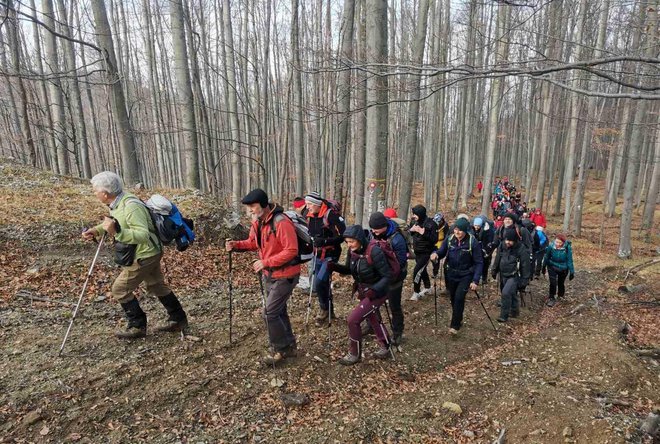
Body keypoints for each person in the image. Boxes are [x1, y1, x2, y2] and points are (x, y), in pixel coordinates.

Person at [81, 172, 188, 339]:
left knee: (120, 289)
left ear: (105, 193)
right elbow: (116, 222)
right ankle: (178, 319)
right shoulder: (118, 202)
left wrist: (117, 233)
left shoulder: (130, 206)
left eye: (95, 190)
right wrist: (97, 229)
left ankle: (137, 326)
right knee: (156, 285)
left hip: (145, 254)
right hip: (149, 252)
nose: (94, 193)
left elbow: (142, 235)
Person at [226, 189, 300, 365]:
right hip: (270, 274)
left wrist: (266, 262)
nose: (250, 210)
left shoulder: (281, 222)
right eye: (249, 207)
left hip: (286, 274)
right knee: (278, 311)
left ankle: (280, 350)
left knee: (269, 313)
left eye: (253, 206)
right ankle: (289, 346)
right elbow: (253, 242)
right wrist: (235, 245)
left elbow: (291, 250)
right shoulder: (258, 222)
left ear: (263, 204)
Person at [332, 225, 392, 365]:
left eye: (352, 241)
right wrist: (334, 267)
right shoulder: (352, 251)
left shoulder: (374, 251)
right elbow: (349, 269)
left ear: (359, 239)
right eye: (347, 242)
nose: (349, 245)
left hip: (377, 292)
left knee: (353, 319)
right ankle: (385, 344)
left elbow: (387, 276)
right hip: (363, 291)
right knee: (372, 317)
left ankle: (354, 354)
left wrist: (374, 290)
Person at [430, 218, 483, 335]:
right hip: (451, 274)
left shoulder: (472, 242)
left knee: (459, 298)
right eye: (455, 229)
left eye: (460, 230)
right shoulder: (449, 239)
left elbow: (479, 262)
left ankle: (455, 325)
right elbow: (442, 251)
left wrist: (475, 280)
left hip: (466, 275)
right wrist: (435, 254)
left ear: (465, 231)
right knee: (453, 298)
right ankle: (458, 317)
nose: (457, 232)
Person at [304, 191, 346, 326]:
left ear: (317, 204)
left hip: (331, 254)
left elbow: (343, 236)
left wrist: (325, 242)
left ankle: (323, 309)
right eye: (306, 204)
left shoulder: (331, 216)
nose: (307, 206)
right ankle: (329, 310)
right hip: (316, 253)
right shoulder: (309, 216)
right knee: (323, 283)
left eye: (309, 204)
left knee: (320, 281)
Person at [369, 212, 408, 345]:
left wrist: (386, 269)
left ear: (384, 226)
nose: (374, 232)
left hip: (395, 277)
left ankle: (398, 332)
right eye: (372, 229)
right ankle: (371, 325)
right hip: (378, 276)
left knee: (394, 305)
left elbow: (401, 261)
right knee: (372, 301)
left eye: (376, 229)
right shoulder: (374, 233)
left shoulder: (397, 239)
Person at [491, 228, 531, 322]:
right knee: (511, 293)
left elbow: (525, 265)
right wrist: (494, 270)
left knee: (505, 293)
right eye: (506, 240)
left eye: (510, 240)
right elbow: (497, 258)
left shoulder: (521, 249)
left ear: (515, 240)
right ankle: (514, 311)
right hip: (503, 273)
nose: (507, 242)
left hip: (514, 275)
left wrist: (524, 280)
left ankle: (503, 315)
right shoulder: (502, 245)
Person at [409, 205, 438, 301]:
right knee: (423, 270)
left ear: (420, 214)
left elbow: (435, 239)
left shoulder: (432, 223)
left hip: (426, 252)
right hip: (417, 251)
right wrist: (411, 230)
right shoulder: (414, 221)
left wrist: (423, 232)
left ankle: (416, 292)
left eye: (415, 214)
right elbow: (410, 233)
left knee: (417, 271)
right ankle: (427, 287)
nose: (414, 216)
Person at [542, 234, 575, 307]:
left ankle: (560, 295)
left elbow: (570, 260)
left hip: (563, 268)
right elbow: (547, 256)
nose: (558, 244)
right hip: (552, 266)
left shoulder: (567, 248)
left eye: (560, 243)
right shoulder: (551, 246)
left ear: (563, 243)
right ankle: (551, 297)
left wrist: (572, 272)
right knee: (553, 283)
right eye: (556, 242)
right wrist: (543, 266)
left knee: (561, 283)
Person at [473, 216, 495, 284]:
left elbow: (489, 241)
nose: (476, 227)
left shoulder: (487, 231)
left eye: (478, 226)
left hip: (485, 249)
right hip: (476, 249)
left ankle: (484, 278)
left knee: (485, 264)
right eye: (475, 225)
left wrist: (487, 251)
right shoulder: (472, 230)